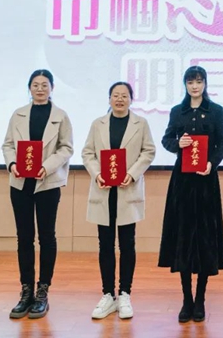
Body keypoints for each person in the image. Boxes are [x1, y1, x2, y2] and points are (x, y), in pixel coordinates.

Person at [158, 66, 223, 323]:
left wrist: (212, 162)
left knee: (204, 238)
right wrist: (178, 144)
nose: (195, 86)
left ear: (205, 83)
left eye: (199, 81)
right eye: (190, 82)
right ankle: (186, 299)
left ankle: (200, 299)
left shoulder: (216, 111)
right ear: (185, 85)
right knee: (184, 237)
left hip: (206, 181)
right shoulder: (178, 111)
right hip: (183, 182)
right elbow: (166, 139)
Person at [2, 69, 74, 319]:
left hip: (48, 183)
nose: (40, 89)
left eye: (45, 84)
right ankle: (26, 292)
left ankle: (43, 292)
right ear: (29, 88)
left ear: (52, 88)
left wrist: (47, 166)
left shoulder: (60, 116)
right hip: (20, 183)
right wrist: (12, 163)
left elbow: (66, 148)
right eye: (35, 84)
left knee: (47, 237)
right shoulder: (18, 114)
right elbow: (8, 144)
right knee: (24, 238)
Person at [82, 82, 156, 320]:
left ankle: (124, 293)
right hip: (104, 190)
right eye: (116, 95)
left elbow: (148, 151)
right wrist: (97, 174)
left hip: (127, 190)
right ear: (109, 99)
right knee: (105, 244)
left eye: (124, 95)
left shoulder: (140, 124)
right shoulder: (98, 124)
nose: (120, 99)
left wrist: (132, 174)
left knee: (127, 244)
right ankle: (107, 294)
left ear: (131, 99)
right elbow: (87, 153)